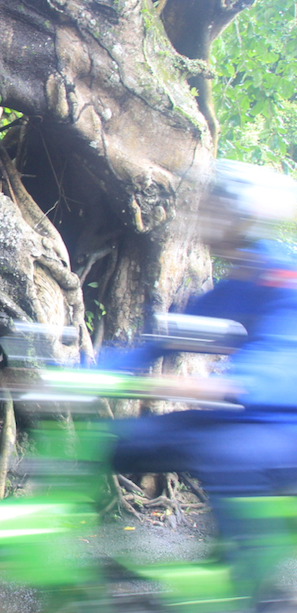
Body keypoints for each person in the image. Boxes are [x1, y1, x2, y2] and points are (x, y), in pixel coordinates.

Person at [104, 159, 297, 605]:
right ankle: (111, 574)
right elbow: (157, 343)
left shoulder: (284, 278)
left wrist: (230, 386)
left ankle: (249, 591)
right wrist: (74, 372)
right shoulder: (228, 291)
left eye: (216, 209)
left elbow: (281, 366)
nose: (204, 218)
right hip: (230, 420)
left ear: (246, 218)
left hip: (282, 429)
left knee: (228, 454)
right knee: (116, 439)